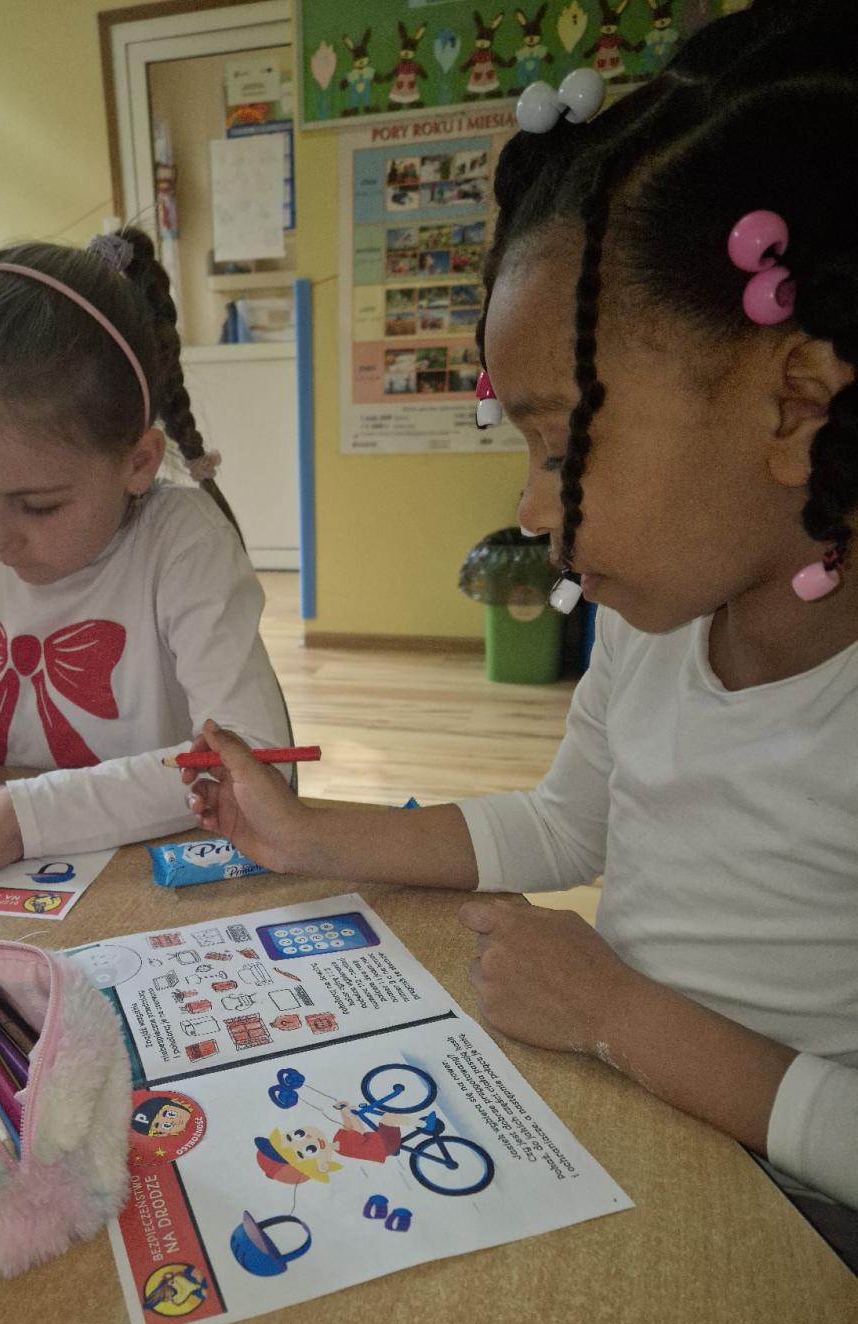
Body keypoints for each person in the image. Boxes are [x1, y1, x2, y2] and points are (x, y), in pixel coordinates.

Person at [185, 1, 858, 1256]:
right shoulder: (653, 629)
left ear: (795, 408)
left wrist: (618, 1015)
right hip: (639, 1129)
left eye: (561, 444)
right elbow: (566, 824)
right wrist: (306, 833)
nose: (532, 507)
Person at [0, 230, 289, 899]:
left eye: (38, 505)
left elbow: (254, 762)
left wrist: (24, 816)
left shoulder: (185, 542)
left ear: (138, 463)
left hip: (147, 872)